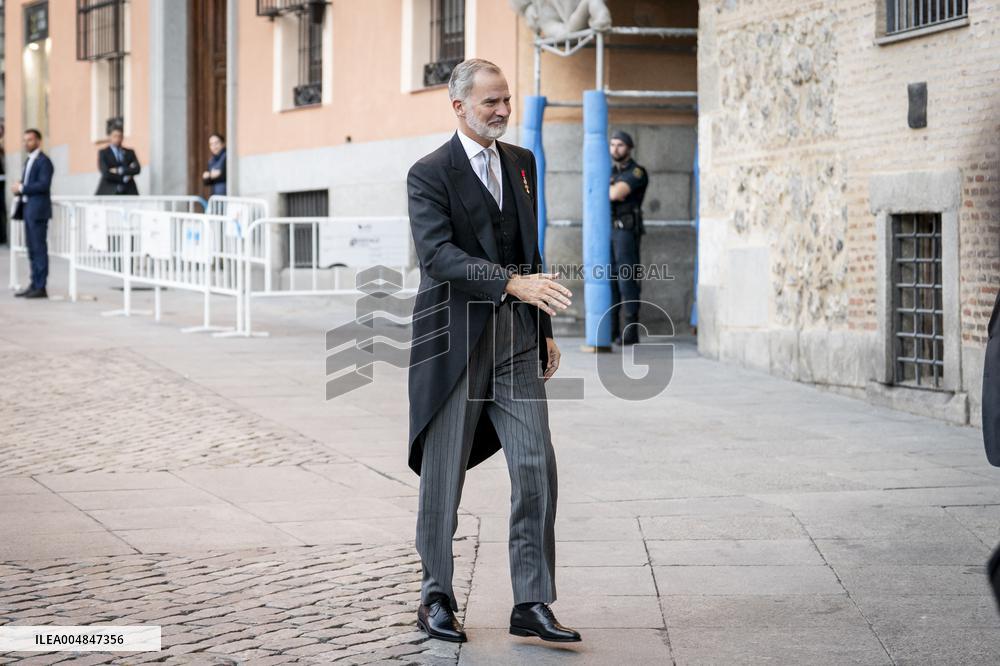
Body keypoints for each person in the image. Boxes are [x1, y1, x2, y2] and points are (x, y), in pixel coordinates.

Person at [406, 58, 579, 644]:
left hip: (513, 340)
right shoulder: (429, 173)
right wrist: (511, 284)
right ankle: (435, 597)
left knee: (537, 466)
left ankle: (531, 601)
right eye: (490, 103)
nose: (503, 110)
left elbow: (528, 248)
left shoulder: (523, 164)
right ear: (458, 106)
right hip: (452, 342)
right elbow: (438, 257)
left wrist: (542, 328)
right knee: (443, 474)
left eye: (507, 100)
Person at [608, 129, 649, 346]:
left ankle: (631, 331)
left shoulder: (636, 172)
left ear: (629, 148)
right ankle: (613, 330)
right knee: (611, 281)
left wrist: (604, 188)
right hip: (612, 231)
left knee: (627, 279)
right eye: (613, 144)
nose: (616, 149)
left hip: (626, 231)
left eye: (620, 145)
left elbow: (614, 194)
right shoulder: (612, 173)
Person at [12, 128, 54, 299]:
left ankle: (41, 286)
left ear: (38, 141)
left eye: (29, 140)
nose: (26, 143)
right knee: (31, 249)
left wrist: (22, 188)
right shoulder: (28, 160)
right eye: (24, 140)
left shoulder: (44, 161)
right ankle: (33, 283)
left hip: (38, 211)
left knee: (39, 249)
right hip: (28, 210)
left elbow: (43, 185)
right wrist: (19, 188)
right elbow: (29, 182)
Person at [95, 124, 141, 195]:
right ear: (109, 137)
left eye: (120, 136)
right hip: (109, 191)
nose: (117, 139)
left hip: (129, 192)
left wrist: (119, 170)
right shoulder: (103, 153)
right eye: (115, 136)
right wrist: (125, 176)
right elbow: (105, 173)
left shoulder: (129, 152)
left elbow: (137, 169)